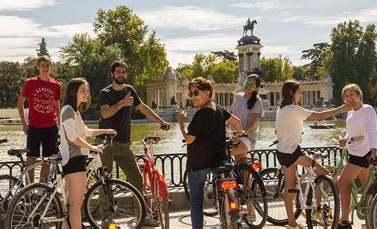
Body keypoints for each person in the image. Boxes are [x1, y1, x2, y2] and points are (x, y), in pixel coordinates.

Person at [97, 61, 170, 224]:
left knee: (137, 180)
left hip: (124, 144)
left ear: (126, 74)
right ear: (112, 74)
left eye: (123, 72)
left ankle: (142, 217)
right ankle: (106, 220)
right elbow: (105, 113)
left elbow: (142, 107)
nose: (121, 74)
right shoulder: (105, 92)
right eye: (118, 72)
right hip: (105, 142)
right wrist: (122, 103)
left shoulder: (130, 90)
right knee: (105, 183)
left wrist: (160, 121)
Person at [275, 80, 352, 229]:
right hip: (293, 152)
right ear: (292, 93)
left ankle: (292, 223)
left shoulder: (281, 109)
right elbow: (319, 116)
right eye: (299, 92)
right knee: (322, 173)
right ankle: (316, 210)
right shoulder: (294, 109)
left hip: (282, 151)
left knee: (289, 187)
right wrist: (341, 109)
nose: (301, 94)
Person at [177, 77, 243, 229]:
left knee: (197, 202)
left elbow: (189, 139)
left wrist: (181, 123)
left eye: (196, 92)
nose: (192, 97)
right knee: (223, 189)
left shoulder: (201, 114)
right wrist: (239, 134)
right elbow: (237, 122)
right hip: (219, 160)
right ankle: (229, 216)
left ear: (207, 92)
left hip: (199, 164)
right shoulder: (218, 108)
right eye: (190, 93)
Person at [59, 78, 116, 229]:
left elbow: (86, 132)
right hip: (74, 159)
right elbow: (72, 137)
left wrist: (106, 130)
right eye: (82, 90)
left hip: (74, 159)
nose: (87, 93)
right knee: (76, 206)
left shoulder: (74, 111)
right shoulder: (68, 110)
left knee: (69, 204)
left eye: (88, 90)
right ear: (73, 92)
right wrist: (92, 147)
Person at [336, 84, 377, 229]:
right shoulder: (350, 113)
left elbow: (372, 132)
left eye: (351, 94)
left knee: (342, 183)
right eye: (346, 96)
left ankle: (344, 221)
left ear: (359, 95)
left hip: (363, 154)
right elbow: (353, 133)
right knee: (368, 187)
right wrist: (345, 139)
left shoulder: (367, 110)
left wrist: (373, 152)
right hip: (353, 152)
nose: (349, 98)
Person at [17, 55, 62, 183]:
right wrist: (24, 123)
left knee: (47, 159)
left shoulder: (56, 85)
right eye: (42, 65)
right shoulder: (30, 82)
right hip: (34, 127)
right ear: (38, 66)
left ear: (51, 67)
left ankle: (42, 188)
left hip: (51, 127)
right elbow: (20, 102)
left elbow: (57, 104)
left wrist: (58, 121)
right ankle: (29, 189)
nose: (45, 68)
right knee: (31, 158)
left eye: (48, 65)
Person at [230, 74, 264, 162]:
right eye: (248, 82)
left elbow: (252, 124)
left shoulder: (257, 101)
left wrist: (241, 133)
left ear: (256, 88)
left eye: (252, 85)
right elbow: (233, 116)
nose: (248, 85)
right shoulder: (238, 97)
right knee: (241, 168)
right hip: (235, 136)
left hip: (247, 138)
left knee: (224, 154)